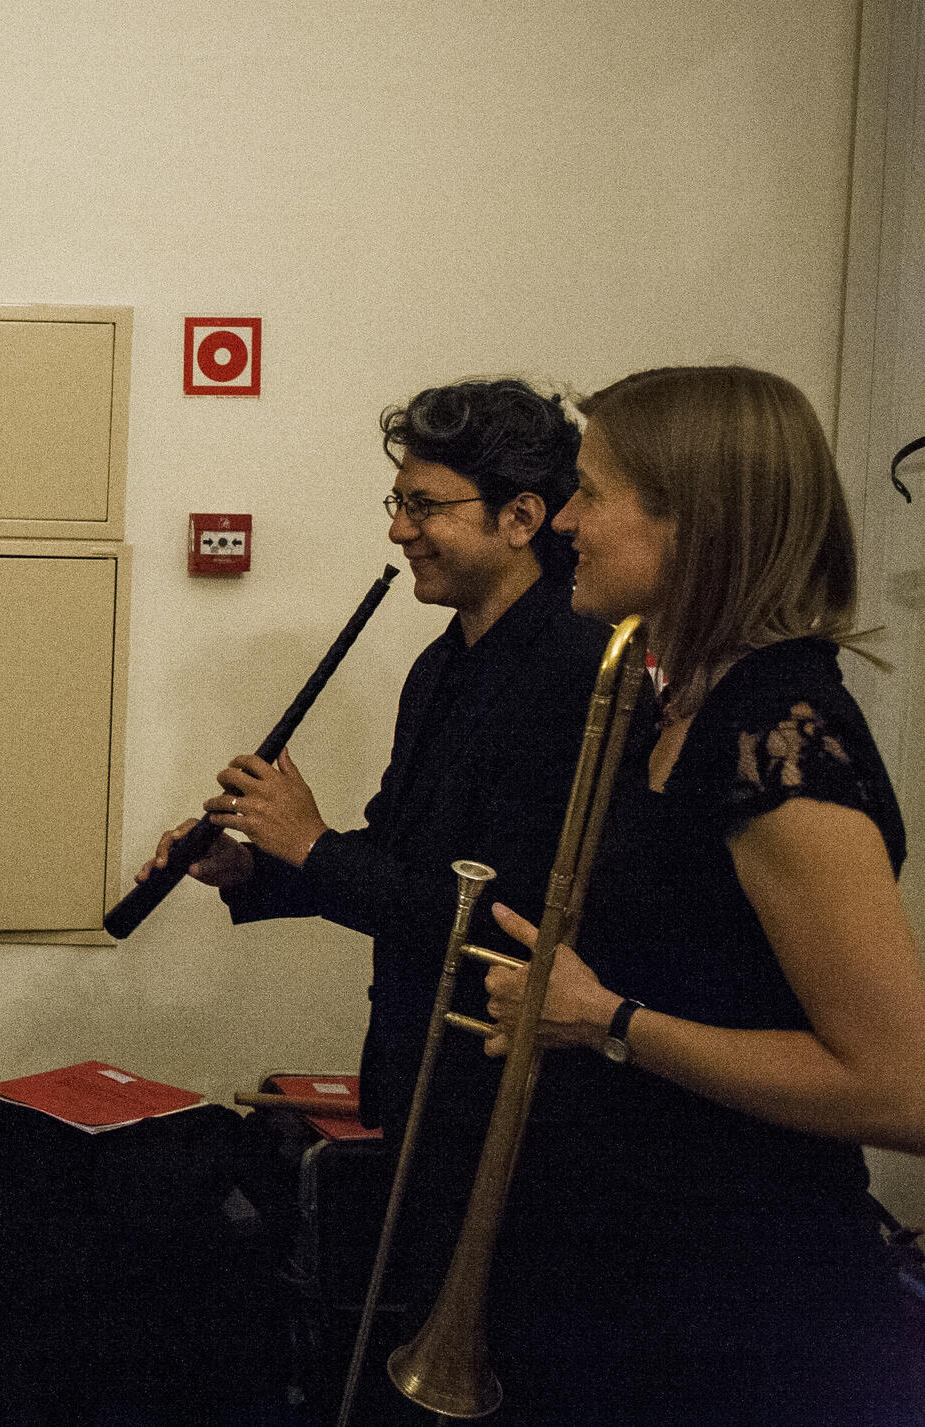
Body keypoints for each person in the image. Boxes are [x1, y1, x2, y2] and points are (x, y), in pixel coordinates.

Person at [478, 365, 925, 1425]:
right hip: (643, 1268)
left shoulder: (779, 734)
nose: (565, 522)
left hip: (745, 1307)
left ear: (694, 521)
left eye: (591, 493)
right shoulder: (677, 705)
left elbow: (899, 1088)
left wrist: (606, 1019)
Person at [140, 378, 607, 1303]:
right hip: (418, 1080)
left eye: (426, 505)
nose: (399, 529)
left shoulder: (573, 671)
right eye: (398, 501)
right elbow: (395, 861)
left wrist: (311, 843)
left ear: (521, 517)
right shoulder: (440, 665)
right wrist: (256, 865)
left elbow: (502, 917)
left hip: (514, 1106)